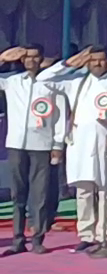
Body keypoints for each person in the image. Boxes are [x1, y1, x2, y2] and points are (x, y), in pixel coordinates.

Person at [40, 47, 107, 255]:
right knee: (84, 192)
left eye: (102, 60)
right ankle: (86, 234)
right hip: (81, 145)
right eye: (93, 61)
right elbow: (44, 79)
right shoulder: (75, 83)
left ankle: (104, 235)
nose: (98, 64)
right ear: (87, 63)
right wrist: (69, 63)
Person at [2, 45, 67, 255]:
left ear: (41, 59)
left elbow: (59, 116)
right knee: (17, 194)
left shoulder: (51, 83)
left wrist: (57, 144)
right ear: (22, 60)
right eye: (27, 57)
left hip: (41, 145)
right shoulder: (12, 81)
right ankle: (18, 239)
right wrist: (2, 59)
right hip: (16, 145)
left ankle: (38, 238)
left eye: (35, 57)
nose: (31, 61)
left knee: (39, 195)